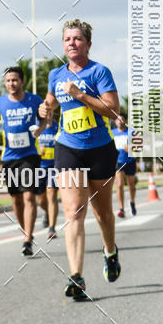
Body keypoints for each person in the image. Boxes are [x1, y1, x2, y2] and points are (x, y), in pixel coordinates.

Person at [38, 20, 121, 301]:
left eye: (77, 39)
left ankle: (110, 251)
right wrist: (45, 108)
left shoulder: (100, 72)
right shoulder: (55, 74)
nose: (72, 43)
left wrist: (81, 95)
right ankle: (77, 276)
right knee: (73, 212)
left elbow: (113, 110)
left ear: (88, 44)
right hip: (68, 148)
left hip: (99, 148)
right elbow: (50, 102)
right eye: (67, 39)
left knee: (103, 213)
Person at [0, 67, 44, 256]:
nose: (11, 84)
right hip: (9, 157)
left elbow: (45, 119)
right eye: (8, 81)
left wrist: (40, 129)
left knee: (28, 196)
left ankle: (28, 238)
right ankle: (25, 231)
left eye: (15, 80)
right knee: (16, 200)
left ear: (22, 81)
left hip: (29, 155)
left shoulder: (33, 100)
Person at [34, 110, 59, 239]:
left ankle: (52, 228)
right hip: (40, 166)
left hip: (54, 166)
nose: (48, 115)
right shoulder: (36, 126)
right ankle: (48, 212)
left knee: (51, 193)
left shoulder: (57, 127)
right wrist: (39, 150)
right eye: (46, 112)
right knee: (41, 200)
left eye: (50, 112)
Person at [112, 115, 137, 216]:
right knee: (120, 185)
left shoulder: (131, 132)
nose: (120, 121)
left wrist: (132, 146)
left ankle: (132, 202)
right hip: (118, 162)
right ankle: (121, 208)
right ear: (115, 121)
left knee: (131, 185)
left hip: (130, 161)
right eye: (118, 119)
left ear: (125, 121)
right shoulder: (112, 132)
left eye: (122, 119)